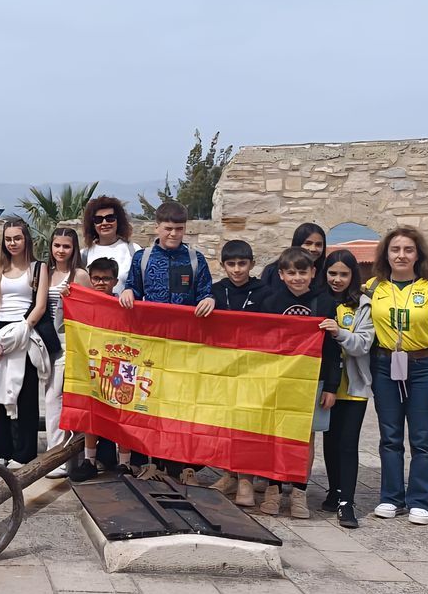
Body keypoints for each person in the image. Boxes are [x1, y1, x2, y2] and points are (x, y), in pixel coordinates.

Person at [365, 226, 428, 526]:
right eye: (395, 250)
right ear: (386, 254)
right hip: (385, 367)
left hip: (424, 368)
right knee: (389, 437)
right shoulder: (372, 288)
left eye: (408, 250)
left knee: (422, 437)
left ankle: (419, 500)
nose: (401, 255)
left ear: (418, 254)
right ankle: (391, 497)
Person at [119, 201, 214, 482]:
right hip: (152, 347)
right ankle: (154, 463)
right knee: (152, 404)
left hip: (185, 347)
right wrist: (128, 293)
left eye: (179, 229)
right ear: (157, 227)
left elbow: (205, 293)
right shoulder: (143, 258)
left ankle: (184, 466)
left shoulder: (196, 260)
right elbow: (132, 287)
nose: (173, 234)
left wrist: (209, 299)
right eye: (168, 228)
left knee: (184, 406)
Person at [255, 247, 343, 519]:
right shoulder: (269, 302)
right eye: (291, 272)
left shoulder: (326, 303)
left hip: (313, 381)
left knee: (306, 439)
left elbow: (332, 350)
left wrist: (331, 386)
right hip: (278, 381)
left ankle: (299, 492)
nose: (297, 278)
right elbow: (259, 344)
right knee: (275, 437)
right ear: (281, 274)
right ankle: (273, 488)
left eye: (302, 272)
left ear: (313, 272)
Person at [0, 218, 52, 468]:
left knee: (26, 392)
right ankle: (1, 449)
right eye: (9, 239)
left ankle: (25, 452)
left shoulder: (38, 268)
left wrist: (24, 328)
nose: (13, 243)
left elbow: (41, 304)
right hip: (2, 331)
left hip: (25, 329)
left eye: (17, 238)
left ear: (26, 240)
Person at [207, 239, 268, 505]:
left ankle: (247, 481)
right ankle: (229, 474)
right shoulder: (215, 291)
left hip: (255, 366)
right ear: (222, 266)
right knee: (226, 423)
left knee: (249, 425)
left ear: (252, 264)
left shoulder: (265, 292)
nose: (236, 269)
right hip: (224, 366)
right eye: (230, 264)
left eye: (242, 264)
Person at [317, 249, 374, 528]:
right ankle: (333, 489)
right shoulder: (319, 300)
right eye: (332, 273)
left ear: (353, 276)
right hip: (325, 385)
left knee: (348, 442)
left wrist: (339, 333)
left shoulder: (363, 305)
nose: (337, 279)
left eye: (343, 274)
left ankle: (347, 502)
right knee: (330, 440)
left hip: (353, 385)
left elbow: (363, 344)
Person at [67, 257, 126, 482]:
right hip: (92, 363)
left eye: (106, 279)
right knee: (92, 412)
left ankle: (125, 463)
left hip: (118, 364)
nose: (101, 283)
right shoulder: (85, 303)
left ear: (115, 280)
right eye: (97, 278)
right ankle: (90, 460)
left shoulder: (121, 303)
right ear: (90, 279)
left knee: (121, 412)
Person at [42, 227, 89, 479]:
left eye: (66, 246)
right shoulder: (46, 273)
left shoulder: (79, 275)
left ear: (74, 249)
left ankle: (59, 455)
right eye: (57, 245)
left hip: (68, 340)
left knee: (56, 397)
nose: (61, 250)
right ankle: (59, 452)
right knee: (51, 396)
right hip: (47, 341)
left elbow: (90, 309)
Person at [80, 196, 137, 294]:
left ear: (118, 221)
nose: (104, 223)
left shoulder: (134, 251)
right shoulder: (84, 255)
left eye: (110, 218)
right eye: (98, 220)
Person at [260, 223, 327, 295]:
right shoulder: (272, 271)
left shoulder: (326, 272)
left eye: (318, 245)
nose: (313, 249)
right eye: (308, 243)